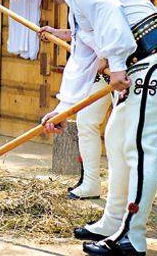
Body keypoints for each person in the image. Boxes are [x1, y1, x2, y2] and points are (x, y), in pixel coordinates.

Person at [26, 0, 157, 256]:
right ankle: (112, 221)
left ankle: (131, 237)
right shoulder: (78, 5)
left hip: (153, 60)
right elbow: (82, 61)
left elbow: (112, 14)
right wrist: (62, 110)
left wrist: (117, 67)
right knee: (114, 138)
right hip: (142, 64)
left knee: (139, 146)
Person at [38, 25, 112, 200]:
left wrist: (106, 56)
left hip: (130, 66)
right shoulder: (78, 0)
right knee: (86, 121)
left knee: (125, 132)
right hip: (103, 70)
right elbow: (87, 31)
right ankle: (90, 183)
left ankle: (134, 192)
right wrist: (60, 34)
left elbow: (115, 25)